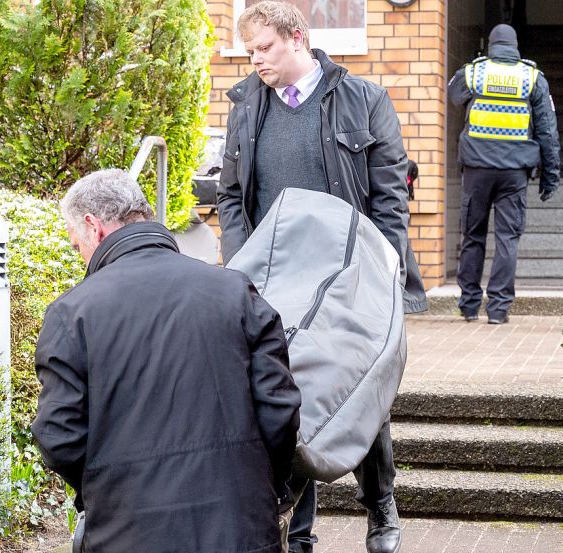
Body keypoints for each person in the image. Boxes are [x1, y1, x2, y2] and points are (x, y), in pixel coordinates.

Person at [217, 3, 427, 553]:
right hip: (273, 279)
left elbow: (389, 197)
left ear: (297, 38)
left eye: (264, 47)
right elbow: (231, 197)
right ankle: (300, 533)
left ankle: (381, 507)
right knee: (283, 400)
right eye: (249, 51)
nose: (256, 59)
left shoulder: (363, 100)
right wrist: (240, 270)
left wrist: (383, 268)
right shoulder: (245, 107)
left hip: (344, 277)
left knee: (359, 393)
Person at [32, 169, 301, 552]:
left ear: (93, 227)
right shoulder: (235, 291)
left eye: (78, 246)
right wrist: (259, 484)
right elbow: (280, 409)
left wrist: (109, 489)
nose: (81, 256)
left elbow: (59, 436)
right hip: (240, 527)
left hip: (127, 533)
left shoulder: (72, 314)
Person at [447, 23, 560, 325]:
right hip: (514, 173)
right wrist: (550, 176)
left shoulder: (474, 72)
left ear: (492, 45)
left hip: (477, 169)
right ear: (515, 46)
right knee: (508, 239)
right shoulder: (532, 77)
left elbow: (454, 95)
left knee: (473, 236)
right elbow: (548, 131)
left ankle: (469, 305)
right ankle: (498, 309)